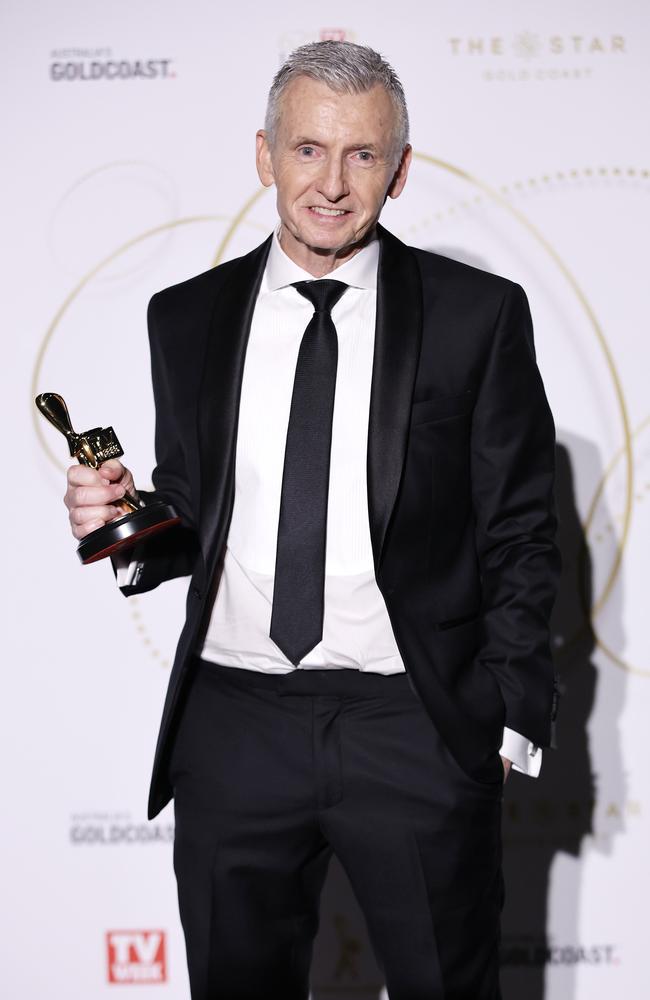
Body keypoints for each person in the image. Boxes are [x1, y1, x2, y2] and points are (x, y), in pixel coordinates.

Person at [64, 40, 559, 1000]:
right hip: (235, 722)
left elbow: (520, 529)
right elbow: (200, 511)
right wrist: (125, 519)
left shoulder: (477, 315)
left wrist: (503, 718)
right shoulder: (187, 315)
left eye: (363, 155)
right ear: (264, 155)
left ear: (400, 170)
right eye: (307, 150)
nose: (331, 183)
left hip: (410, 722)